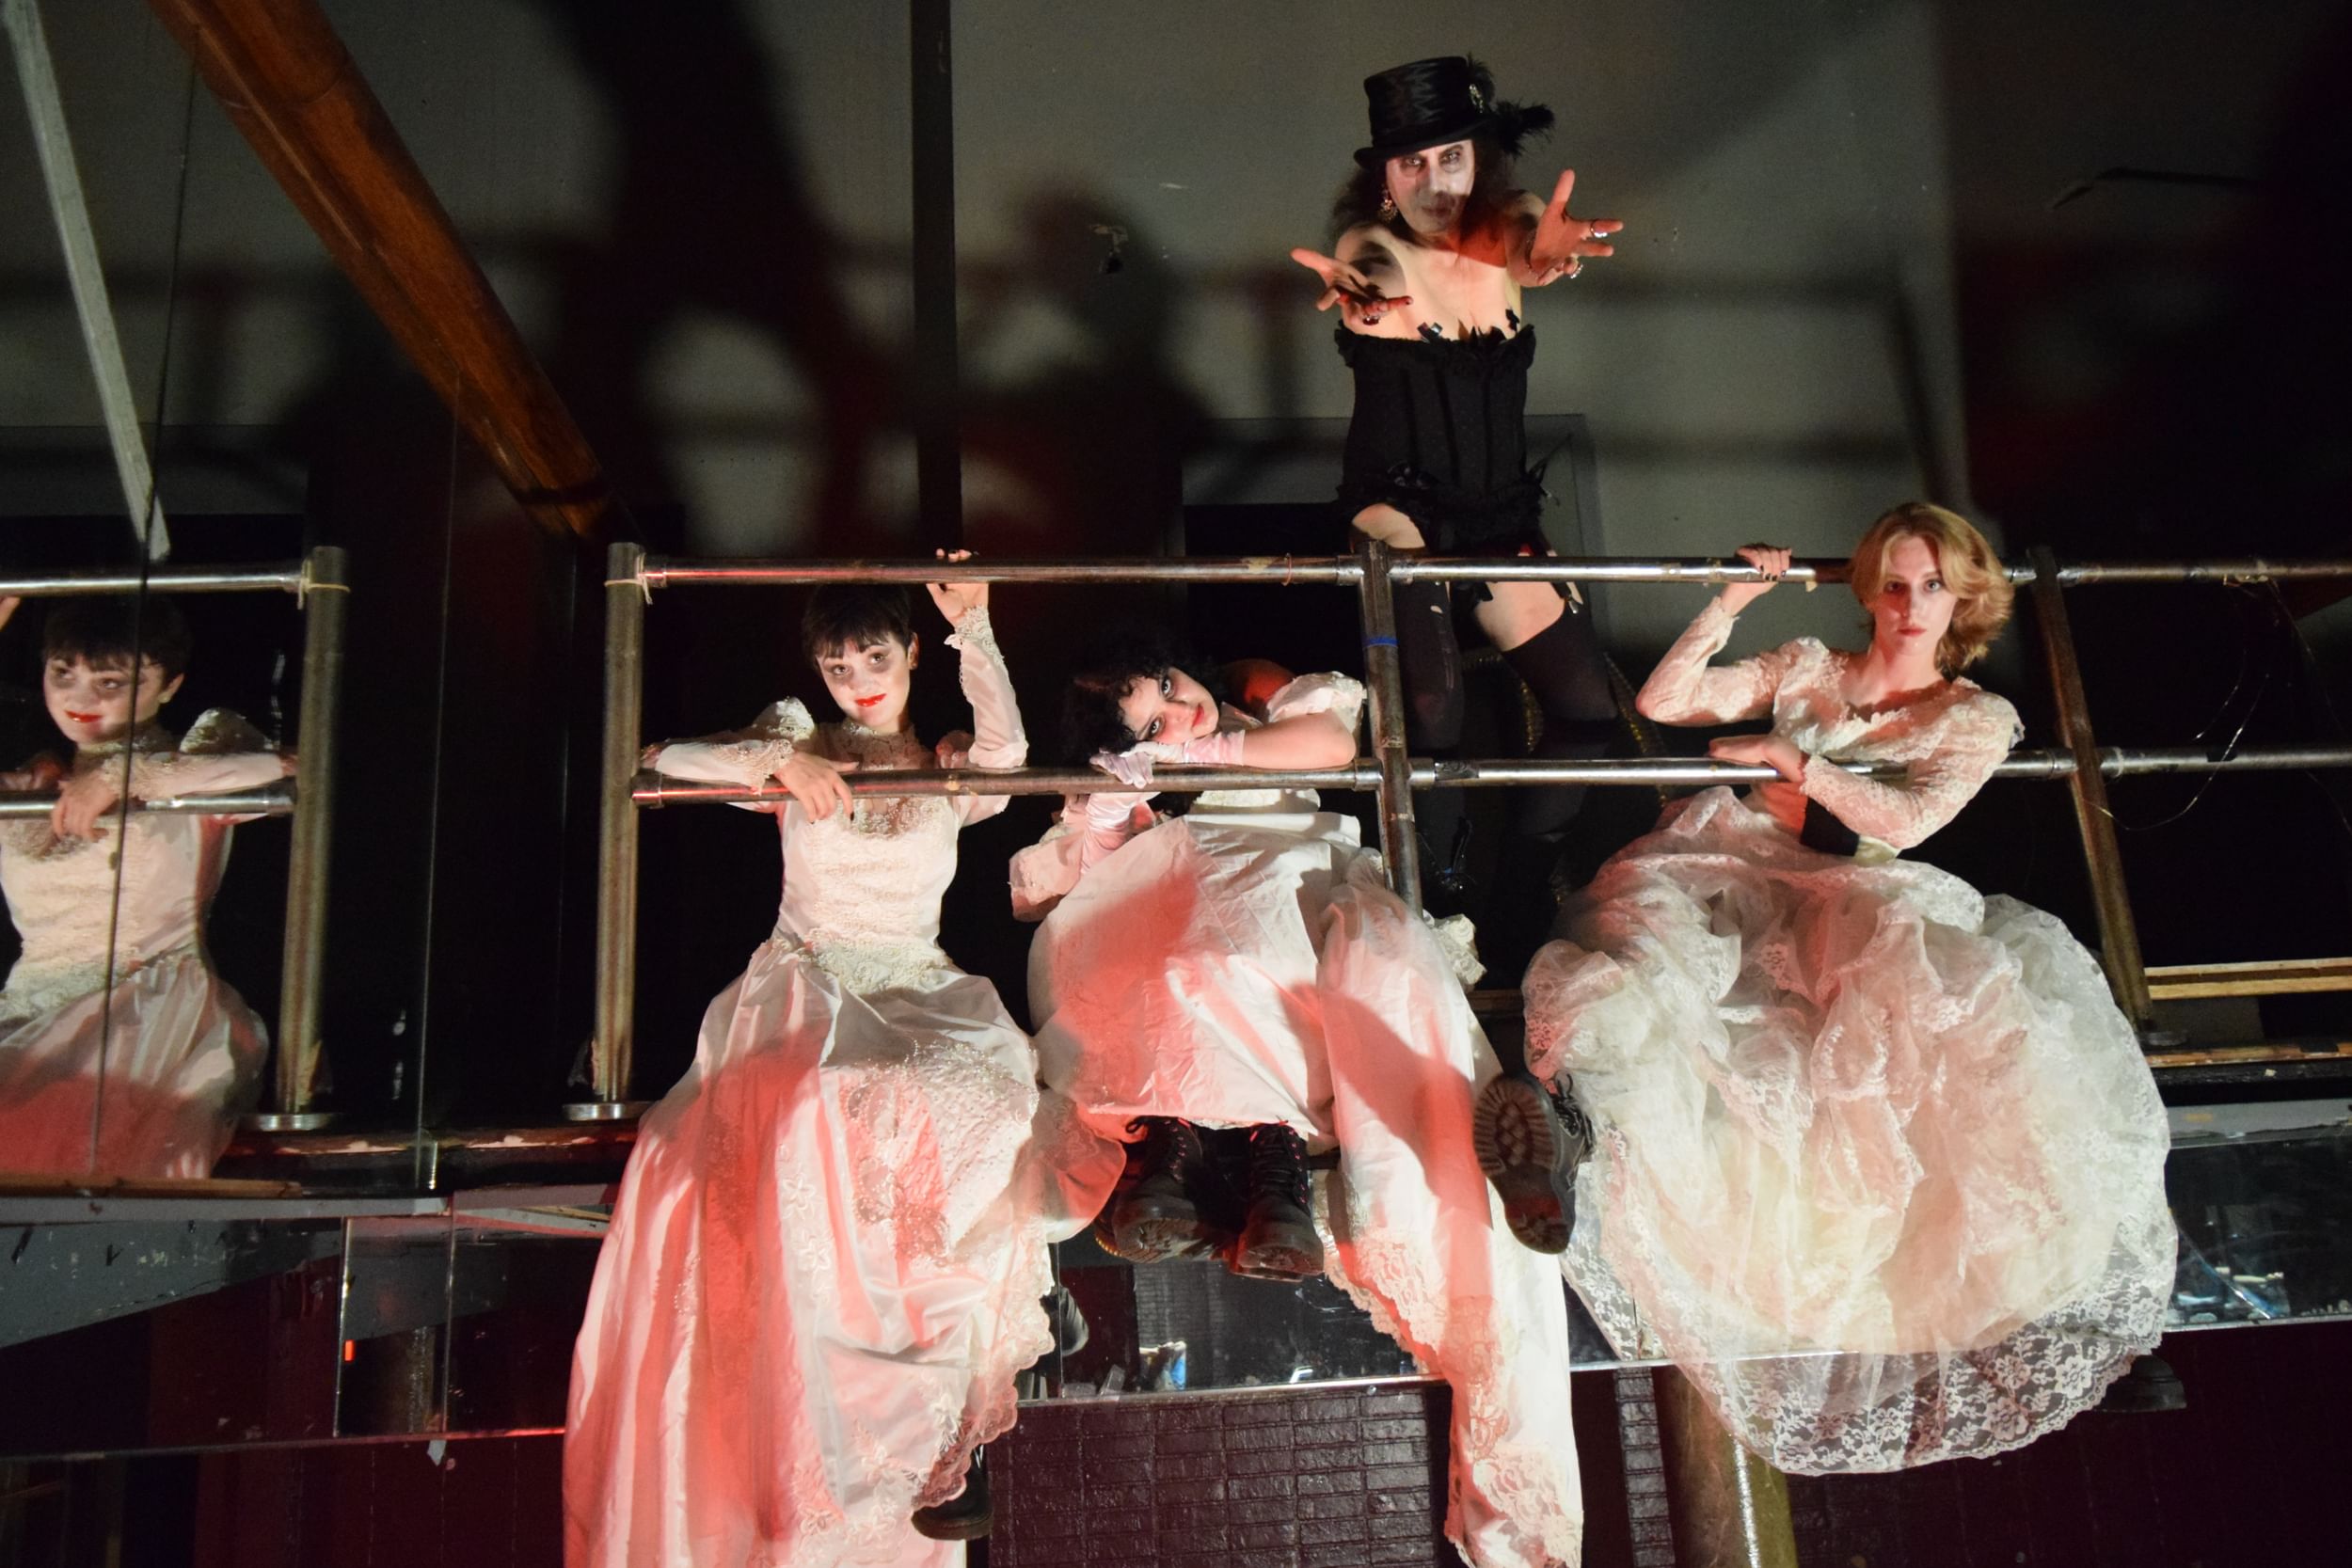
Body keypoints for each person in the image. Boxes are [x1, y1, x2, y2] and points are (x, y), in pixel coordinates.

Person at [1480, 503, 2176, 1471]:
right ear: (1868, 588)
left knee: (1916, 1001)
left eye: (1931, 584)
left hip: (1858, 879)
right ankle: (1573, 1129)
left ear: (1964, 596)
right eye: (1894, 581)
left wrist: (1796, 761)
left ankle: (1602, 1147)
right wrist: (1730, 601)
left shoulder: (1972, 716)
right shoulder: (1810, 663)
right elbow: (1670, 699)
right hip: (1738, 860)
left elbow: (1912, 814)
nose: (1909, 603)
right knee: (1648, 952)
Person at [1015, 641, 1584, 1568]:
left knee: (1269, 958)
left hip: (1294, 872)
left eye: (1167, 683)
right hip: (1186, 886)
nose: (1177, 710)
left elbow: (1321, 735)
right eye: (1149, 720)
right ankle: (1223, 1167)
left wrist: (1193, 741)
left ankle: (1244, 1166)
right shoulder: (1138, 786)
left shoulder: (1259, 722)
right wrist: (1122, 787)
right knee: (1157, 955)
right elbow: (1092, 852)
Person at [565, 558, 1050, 1567]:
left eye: (874, 653)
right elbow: (667, 757)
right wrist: (775, 767)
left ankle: (951, 1366)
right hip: (814, 978)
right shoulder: (800, 739)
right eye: (838, 661)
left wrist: (977, 631)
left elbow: (1007, 753)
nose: (857, 675)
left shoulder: (942, 760)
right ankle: (860, 1401)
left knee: (979, 1093)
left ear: (909, 654)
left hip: (916, 978)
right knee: (839, 1100)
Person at [1291, 55, 1625, 969]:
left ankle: (1522, 877)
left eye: (1449, 160)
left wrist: (1543, 254)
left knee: (1586, 708)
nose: (1431, 183)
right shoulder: (1379, 246)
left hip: (1496, 515)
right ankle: (1438, 896)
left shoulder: (1504, 229)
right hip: (1395, 509)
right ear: (1383, 180)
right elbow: (1364, 269)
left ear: (1480, 160)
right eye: (1409, 166)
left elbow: (1519, 244)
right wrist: (1362, 297)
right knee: (1430, 701)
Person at [0, 595, 290, 1179]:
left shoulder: (192, 759)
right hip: (30, 1005)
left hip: (145, 1004)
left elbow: (291, 768)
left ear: (169, 685)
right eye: (64, 674)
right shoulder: (36, 778)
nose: (82, 700)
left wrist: (123, 775)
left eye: (111, 680)